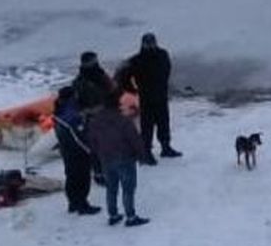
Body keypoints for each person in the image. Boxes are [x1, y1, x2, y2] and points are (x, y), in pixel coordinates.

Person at [85, 89, 150, 227]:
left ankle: (113, 215)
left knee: (111, 188)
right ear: (117, 104)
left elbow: (92, 141)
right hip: (124, 158)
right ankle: (131, 217)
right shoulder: (123, 121)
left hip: (106, 159)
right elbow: (135, 140)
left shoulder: (95, 122)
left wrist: (98, 155)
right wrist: (142, 156)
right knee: (128, 188)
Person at [124, 32, 180, 163]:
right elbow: (125, 77)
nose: (150, 45)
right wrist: (133, 90)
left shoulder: (163, 54)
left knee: (164, 123)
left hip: (161, 96)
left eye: (152, 42)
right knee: (147, 126)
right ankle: (146, 152)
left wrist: (163, 85)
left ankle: (166, 147)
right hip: (146, 98)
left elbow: (167, 70)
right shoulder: (136, 60)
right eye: (147, 43)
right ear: (142, 44)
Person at [51, 85, 100, 216]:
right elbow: (78, 135)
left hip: (66, 150)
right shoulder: (71, 115)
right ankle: (82, 204)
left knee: (71, 177)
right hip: (77, 152)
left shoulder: (58, 112)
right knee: (82, 178)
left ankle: (73, 202)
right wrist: (89, 149)